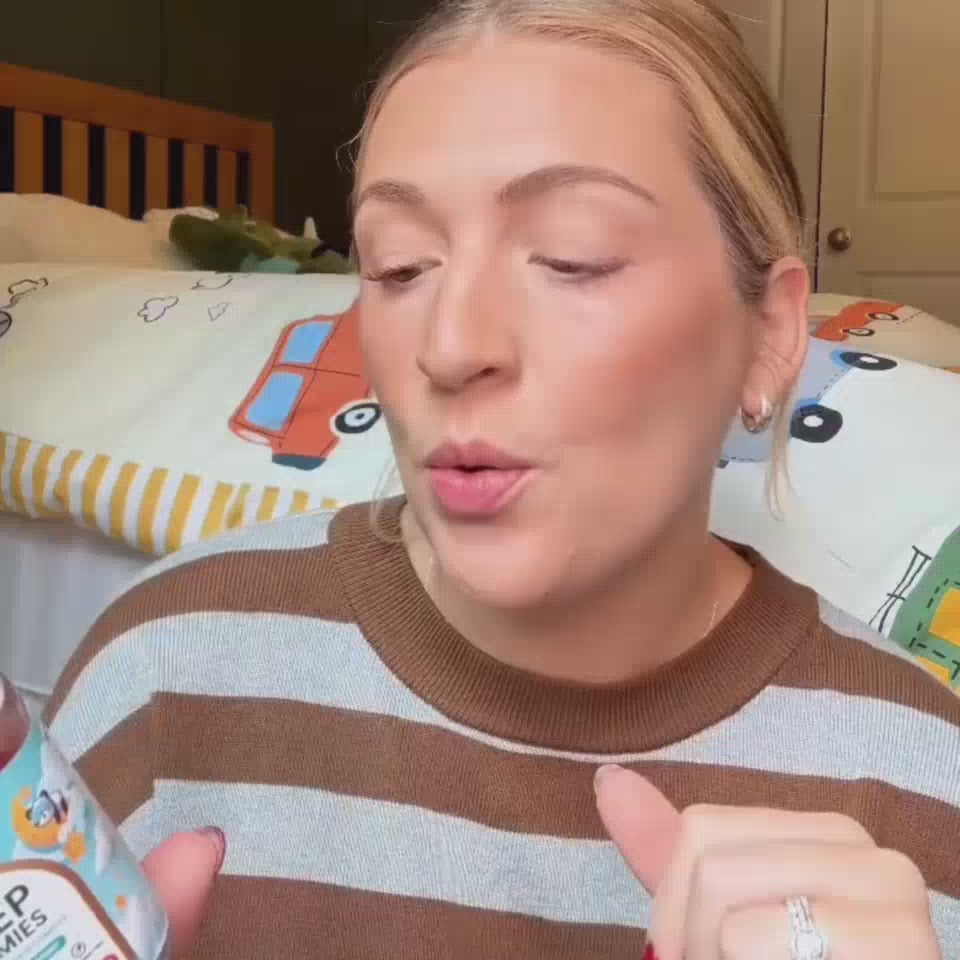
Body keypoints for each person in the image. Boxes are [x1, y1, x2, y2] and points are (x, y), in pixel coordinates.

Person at [46, 1, 959, 958]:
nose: (449, 346)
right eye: (399, 268)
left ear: (769, 334)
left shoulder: (922, 777)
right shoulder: (164, 665)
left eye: (571, 255)